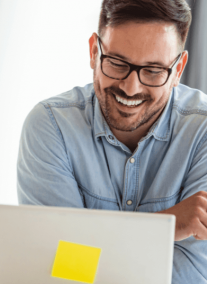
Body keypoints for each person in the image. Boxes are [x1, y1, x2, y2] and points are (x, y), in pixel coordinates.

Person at [17, 0, 207, 282]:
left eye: (153, 71)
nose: (131, 88)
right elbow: (56, 267)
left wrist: (91, 252)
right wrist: (164, 227)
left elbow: (193, 272)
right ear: (94, 52)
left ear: (178, 70)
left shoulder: (202, 130)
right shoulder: (51, 126)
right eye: (117, 64)